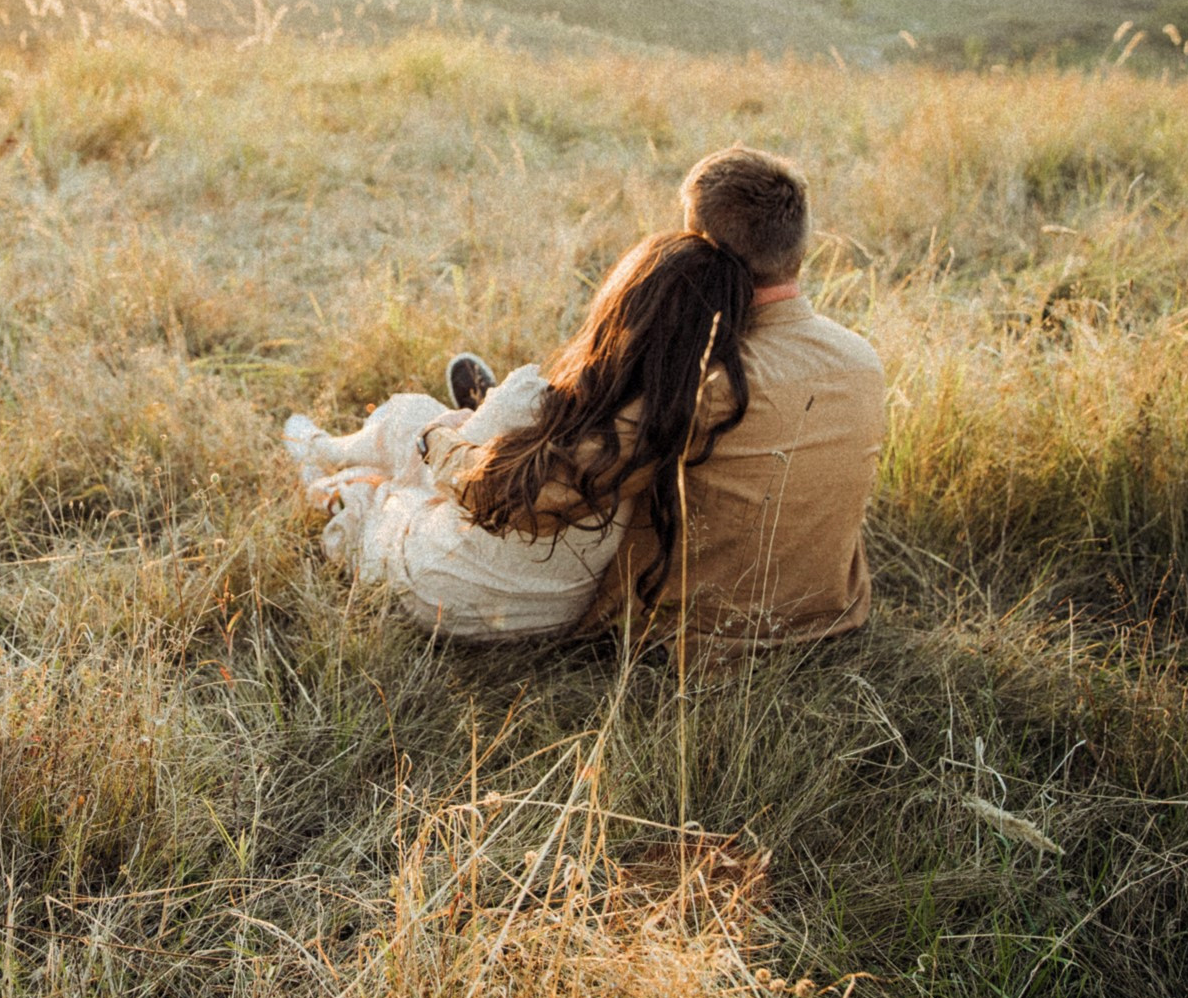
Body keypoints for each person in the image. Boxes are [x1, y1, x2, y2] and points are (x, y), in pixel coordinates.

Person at [287, 144, 886, 664]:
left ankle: (437, 438)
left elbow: (526, 495)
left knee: (444, 460)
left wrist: (439, 445)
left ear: (701, 250)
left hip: (704, 642)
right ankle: (488, 414)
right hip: (834, 617)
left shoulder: (701, 383)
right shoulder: (861, 359)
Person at [286, 229, 758, 641]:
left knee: (413, 425)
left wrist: (437, 436)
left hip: (444, 593)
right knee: (449, 436)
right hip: (558, 612)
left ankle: (323, 455)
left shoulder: (535, 398)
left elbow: (458, 484)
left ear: (620, 312)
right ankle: (437, 431)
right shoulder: (683, 425)